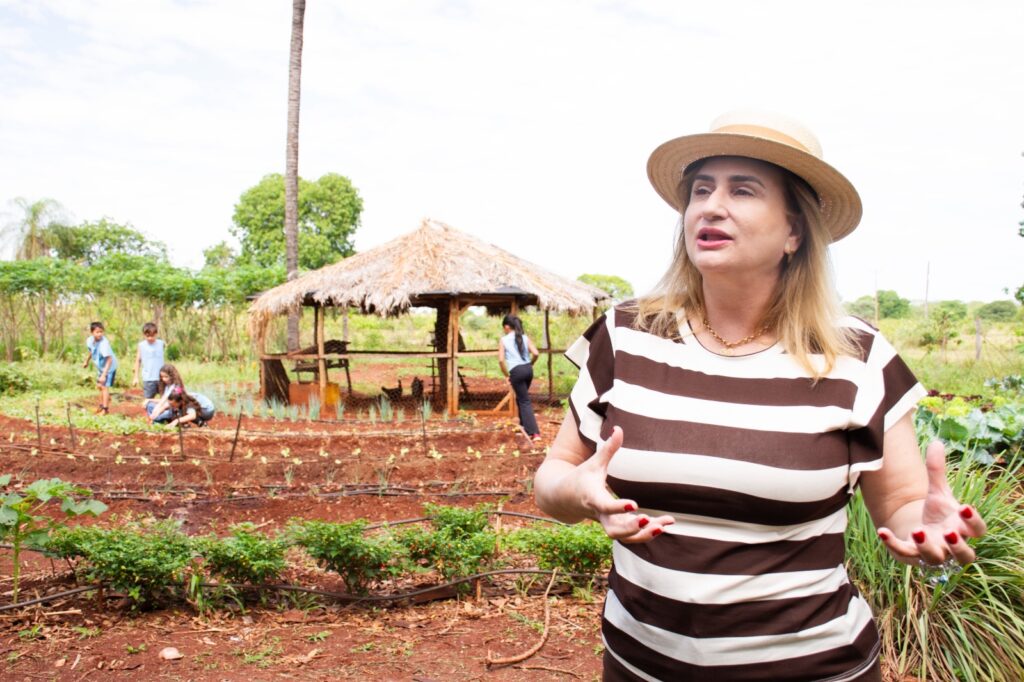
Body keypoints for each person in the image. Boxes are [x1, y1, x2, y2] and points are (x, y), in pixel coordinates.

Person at [533, 112, 988, 681]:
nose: (710, 206)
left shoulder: (856, 356)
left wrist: (928, 527)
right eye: (701, 190)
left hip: (813, 668)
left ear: (794, 231)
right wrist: (575, 490)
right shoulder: (625, 336)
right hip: (638, 666)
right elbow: (554, 479)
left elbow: (899, 505)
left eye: (742, 190)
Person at [498, 314, 541, 442]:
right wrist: (530, 364)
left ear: (506, 327)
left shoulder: (504, 340)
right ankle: (524, 428)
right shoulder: (524, 337)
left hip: (516, 371)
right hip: (528, 370)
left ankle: (535, 433)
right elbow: (536, 353)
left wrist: (507, 376)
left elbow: (501, 361)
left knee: (524, 401)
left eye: (503, 328)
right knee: (521, 399)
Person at [82, 321, 118, 415]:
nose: (100, 334)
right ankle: (102, 405)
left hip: (109, 368)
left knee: (104, 387)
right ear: (92, 332)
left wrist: (104, 375)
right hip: (101, 367)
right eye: (97, 332)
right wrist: (86, 361)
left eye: (101, 332)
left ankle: (105, 409)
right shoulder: (90, 340)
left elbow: (109, 359)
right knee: (100, 386)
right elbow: (91, 351)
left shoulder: (104, 344)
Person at [131, 321, 165, 399]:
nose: (150, 338)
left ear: (156, 334)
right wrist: (136, 377)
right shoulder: (141, 345)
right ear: (144, 335)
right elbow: (138, 360)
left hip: (161, 378)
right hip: (148, 379)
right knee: (148, 401)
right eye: (148, 336)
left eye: (153, 336)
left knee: (164, 400)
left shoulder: (161, 344)